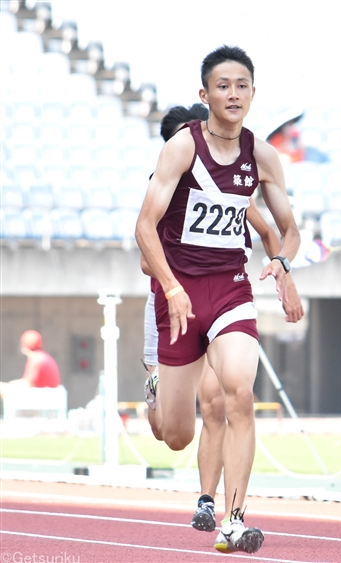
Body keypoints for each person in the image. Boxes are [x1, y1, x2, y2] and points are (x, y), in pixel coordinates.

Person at [135, 45, 301, 554]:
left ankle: (233, 519)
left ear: (253, 92)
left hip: (230, 289)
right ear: (205, 95)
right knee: (176, 434)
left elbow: (287, 230)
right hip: (178, 295)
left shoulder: (261, 155)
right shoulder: (182, 149)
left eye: (242, 85)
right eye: (223, 86)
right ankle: (158, 391)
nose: (233, 93)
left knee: (238, 394)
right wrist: (172, 285)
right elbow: (144, 229)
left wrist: (284, 267)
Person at [0, 330, 60, 398]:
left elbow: (28, 384)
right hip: (48, 396)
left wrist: (8, 386)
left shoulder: (36, 359)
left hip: (44, 399)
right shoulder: (43, 356)